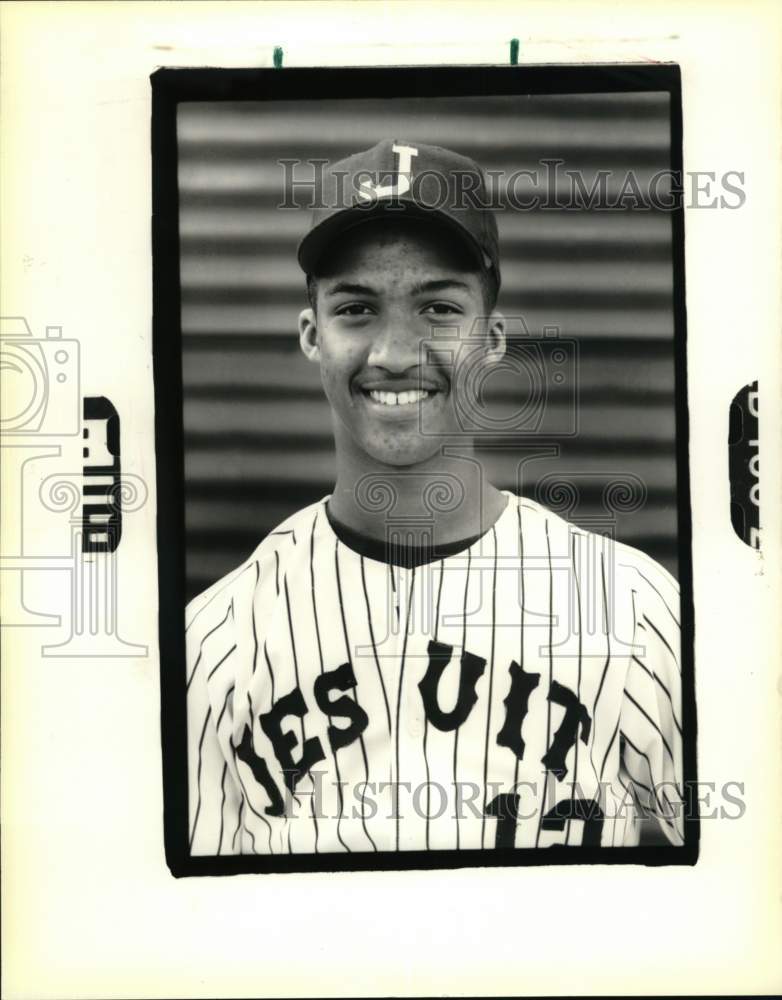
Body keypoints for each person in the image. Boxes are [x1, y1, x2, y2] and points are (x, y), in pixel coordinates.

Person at [185, 140, 684, 855]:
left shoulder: (633, 610)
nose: (395, 351)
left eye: (440, 309)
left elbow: (732, 897)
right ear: (311, 336)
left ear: (494, 336)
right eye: (356, 308)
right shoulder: (215, 642)